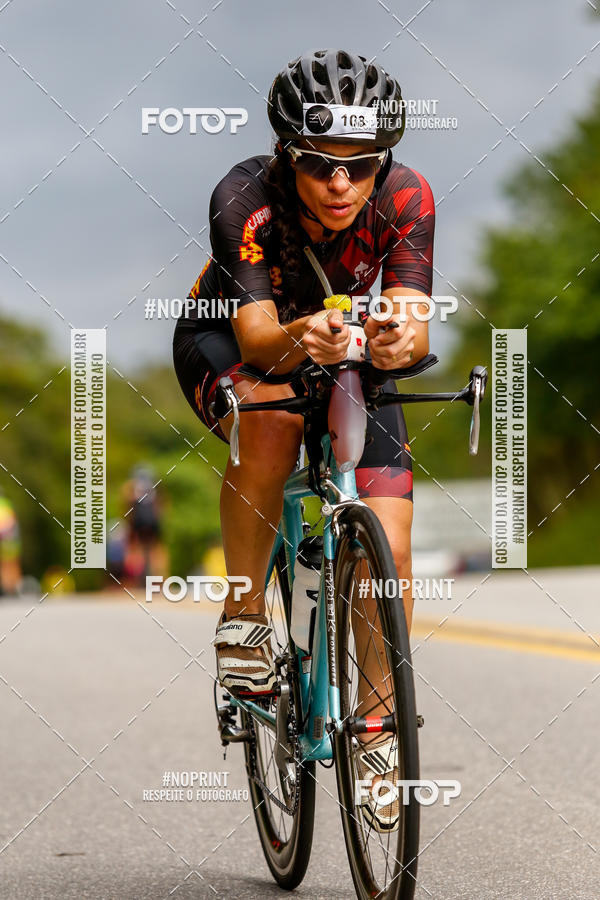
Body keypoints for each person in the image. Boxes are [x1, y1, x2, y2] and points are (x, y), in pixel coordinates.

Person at [173, 49, 435, 831]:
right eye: (320, 163)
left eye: (362, 164)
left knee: (392, 537)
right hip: (231, 341)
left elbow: (415, 324)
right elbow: (258, 338)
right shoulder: (245, 197)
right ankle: (244, 613)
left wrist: (397, 341)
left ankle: (379, 732)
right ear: (288, 154)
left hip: (341, 350)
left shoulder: (408, 195)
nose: (341, 183)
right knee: (274, 419)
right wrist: (302, 334)